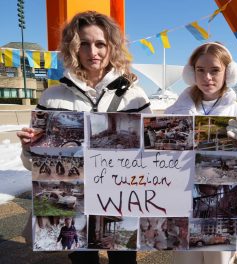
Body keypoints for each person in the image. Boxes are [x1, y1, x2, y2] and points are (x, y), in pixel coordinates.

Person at [17, 11, 151, 264]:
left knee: (124, 260)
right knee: (82, 260)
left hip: (121, 196)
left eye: (100, 44)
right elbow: (34, 165)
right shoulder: (52, 97)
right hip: (74, 199)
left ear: (112, 47)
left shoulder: (135, 96)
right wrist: (29, 148)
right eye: (85, 44)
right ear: (74, 48)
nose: (93, 52)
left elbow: (152, 154)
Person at [165, 42, 237, 264]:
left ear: (228, 73)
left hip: (222, 211)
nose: (207, 77)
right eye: (200, 70)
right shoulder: (172, 113)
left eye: (215, 70)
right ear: (191, 73)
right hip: (181, 207)